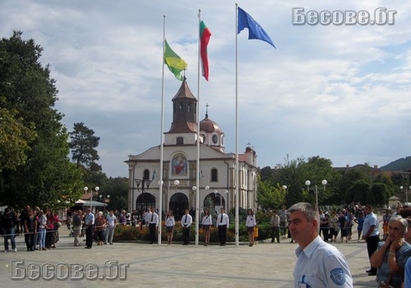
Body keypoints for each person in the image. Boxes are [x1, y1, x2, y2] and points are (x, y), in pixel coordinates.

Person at [288, 202, 353, 288]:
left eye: (296, 222)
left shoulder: (328, 256)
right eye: (290, 222)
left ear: (313, 224)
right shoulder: (302, 255)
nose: (291, 227)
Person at [370, 215, 411, 287]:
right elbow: (374, 263)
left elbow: (393, 269)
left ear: (403, 231)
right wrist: (385, 245)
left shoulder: (407, 249)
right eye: (390, 228)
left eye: (396, 229)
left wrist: (392, 249)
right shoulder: (382, 244)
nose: (392, 232)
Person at [362, 204, 380, 276]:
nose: (365, 211)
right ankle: (372, 268)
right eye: (365, 209)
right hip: (369, 237)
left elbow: (372, 228)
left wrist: (366, 235)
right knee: (370, 254)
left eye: (367, 209)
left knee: (373, 254)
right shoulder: (367, 216)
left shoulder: (372, 217)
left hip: (373, 237)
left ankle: (375, 269)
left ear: (370, 209)